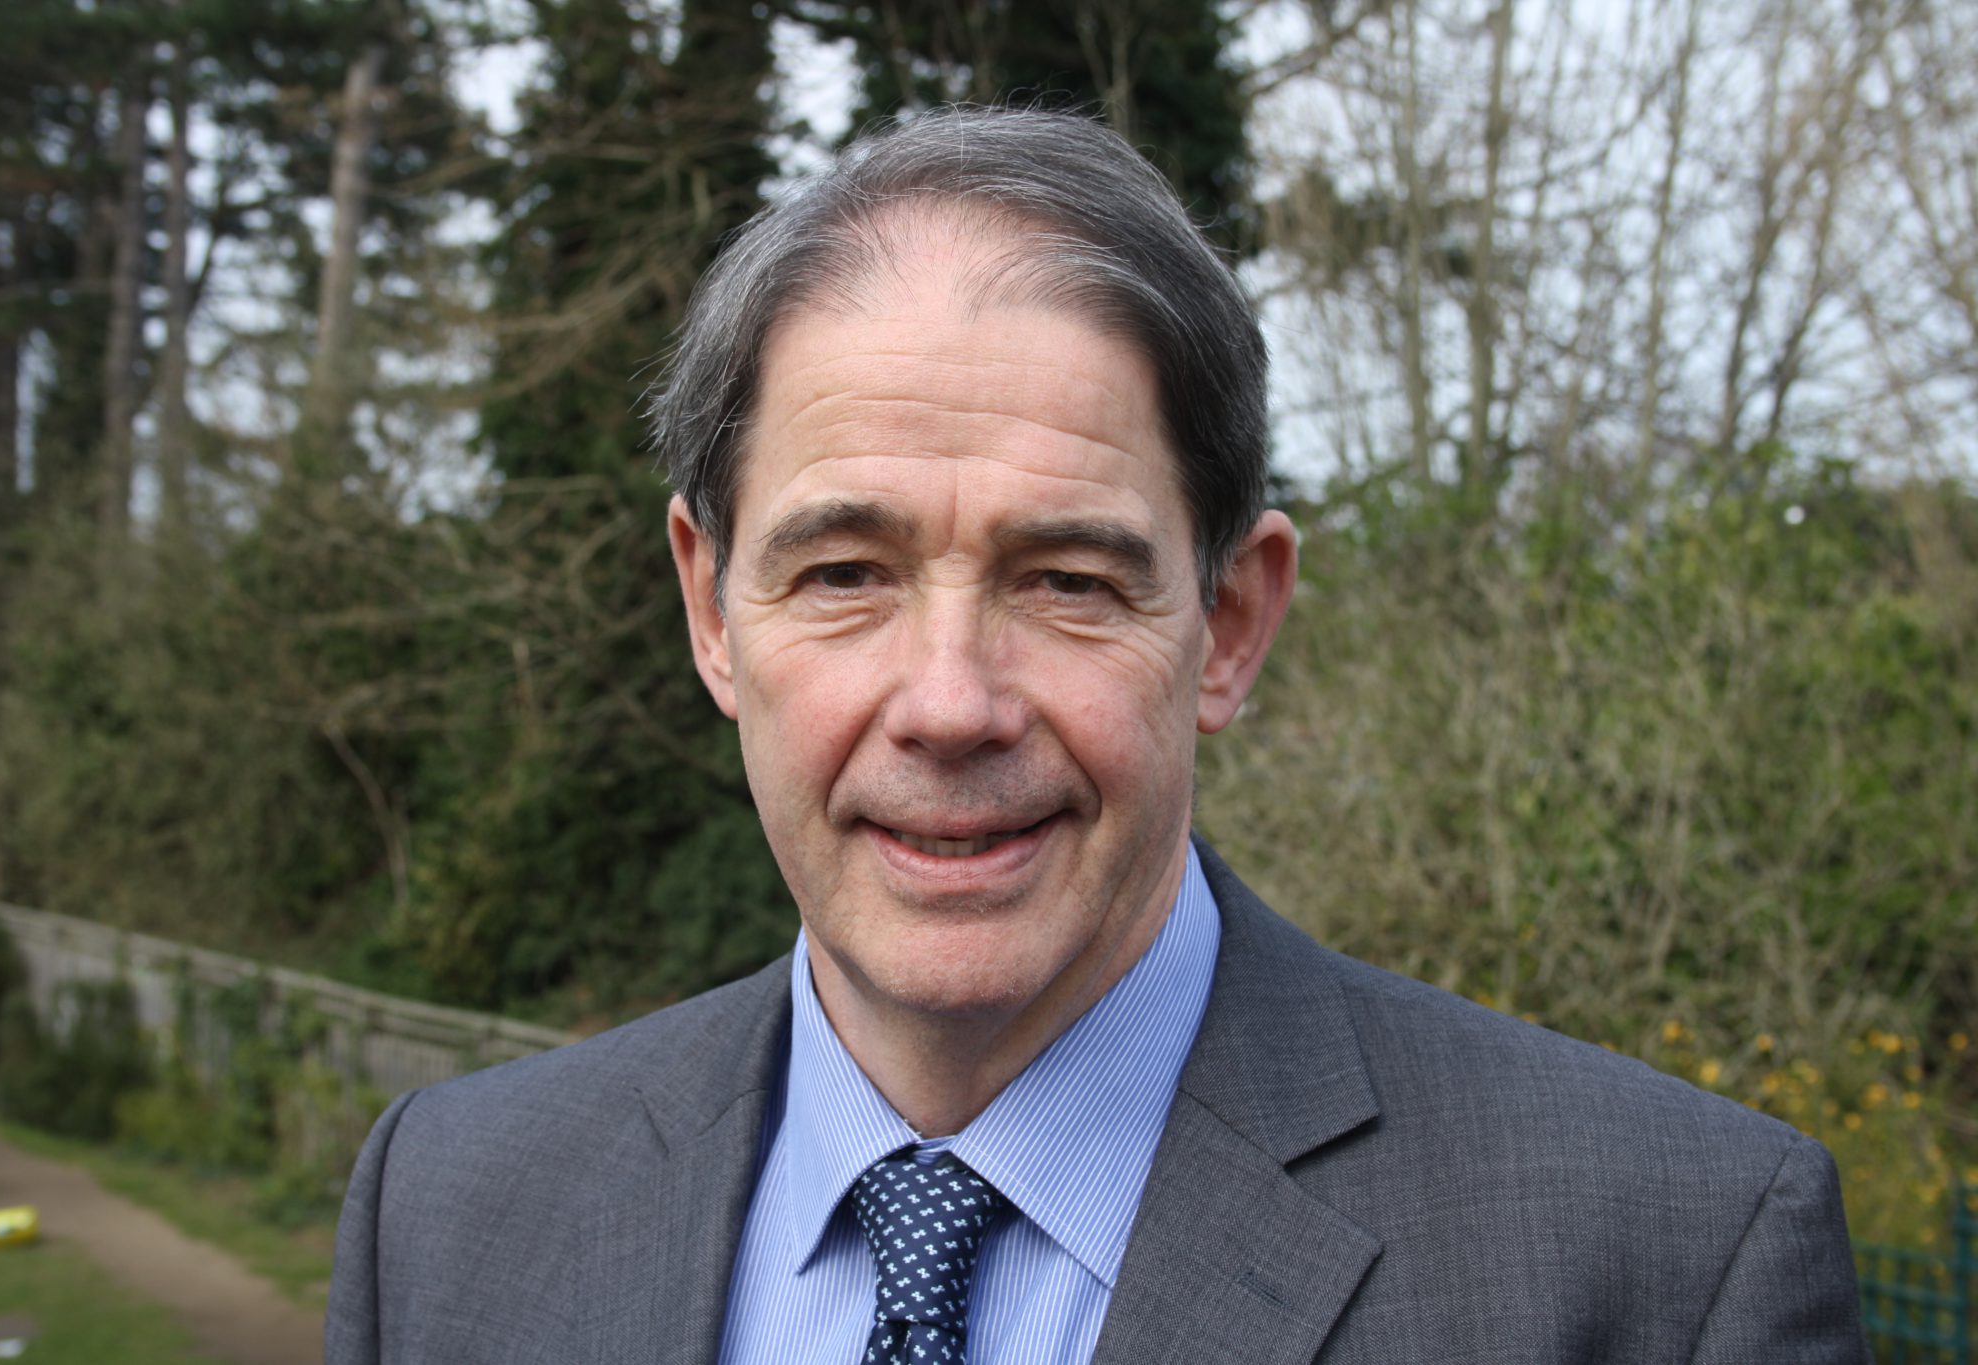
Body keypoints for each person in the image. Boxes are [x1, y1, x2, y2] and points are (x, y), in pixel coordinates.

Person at [324, 108, 1867, 1364]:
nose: (948, 703)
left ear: (1232, 622)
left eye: (1066, 580)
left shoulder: (1668, 1271)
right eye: (844, 572)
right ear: (714, 611)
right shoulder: (449, 1216)